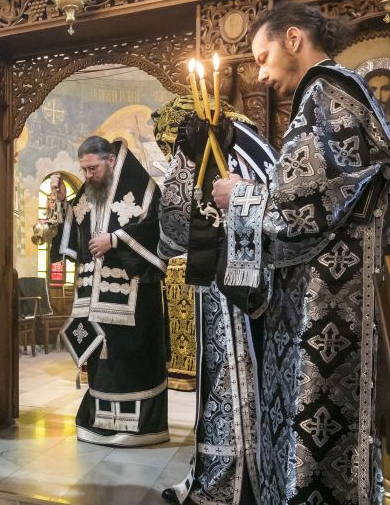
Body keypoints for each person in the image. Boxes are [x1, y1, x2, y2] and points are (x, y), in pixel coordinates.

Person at [210, 2, 390, 504]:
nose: (262, 74)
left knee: (313, 425)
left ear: (293, 39)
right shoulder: (324, 96)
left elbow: (304, 205)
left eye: (263, 58)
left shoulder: (328, 94)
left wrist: (239, 196)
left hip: (329, 299)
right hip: (315, 288)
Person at [153, 96, 277, 504]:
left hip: (239, 299)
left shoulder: (215, 145)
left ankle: (236, 480)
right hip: (250, 292)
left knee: (236, 381)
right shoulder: (255, 148)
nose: (175, 162)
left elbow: (172, 221)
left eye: (173, 152)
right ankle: (236, 473)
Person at [50, 135, 169, 447]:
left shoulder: (143, 191)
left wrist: (115, 239)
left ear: (111, 161)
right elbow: (72, 233)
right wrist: (63, 202)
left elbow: (157, 231)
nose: (88, 176)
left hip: (134, 304)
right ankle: (99, 424)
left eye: (93, 169)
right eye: (84, 170)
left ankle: (138, 429)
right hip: (93, 304)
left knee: (130, 365)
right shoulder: (87, 195)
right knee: (101, 368)